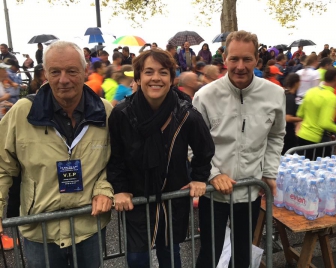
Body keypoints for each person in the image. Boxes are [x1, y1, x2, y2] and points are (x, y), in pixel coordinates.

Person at [0, 41, 114, 268]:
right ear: (45, 74)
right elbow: (2, 165)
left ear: (85, 72)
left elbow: (116, 161)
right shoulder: (22, 112)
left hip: (88, 227)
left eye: (71, 71)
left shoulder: (105, 111)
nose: (64, 79)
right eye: (55, 71)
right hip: (41, 230)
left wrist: (104, 188)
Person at [107, 49, 215, 268]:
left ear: (171, 79)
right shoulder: (122, 114)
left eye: (163, 72)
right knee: (137, 258)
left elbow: (205, 149)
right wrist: (119, 188)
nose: (156, 78)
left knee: (170, 254)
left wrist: (199, 177)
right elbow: (115, 156)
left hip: (172, 197)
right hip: (136, 198)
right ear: (138, 78)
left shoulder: (185, 112)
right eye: (148, 72)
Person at [193, 30, 285, 268]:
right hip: (213, 193)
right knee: (209, 255)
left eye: (247, 59)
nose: (240, 66)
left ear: (257, 60)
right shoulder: (204, 96)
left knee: (243, 254)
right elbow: (192, 146)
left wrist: (270, 172)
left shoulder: (275, 94)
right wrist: (213, 175)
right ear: (224, 59)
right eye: (234, 59)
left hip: (250, 189)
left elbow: (276, 135)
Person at [296, 68, 336, 159]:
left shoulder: (311, 91)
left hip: (302, 136)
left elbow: (300, 114)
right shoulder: (331, 97)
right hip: (318, 140)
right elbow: (325, 123)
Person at [282, 73, 302, 155]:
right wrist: (302, 118)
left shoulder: (284, 93)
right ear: (296, 83)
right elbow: (288, 118)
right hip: (287, 133)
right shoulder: (290, 98)